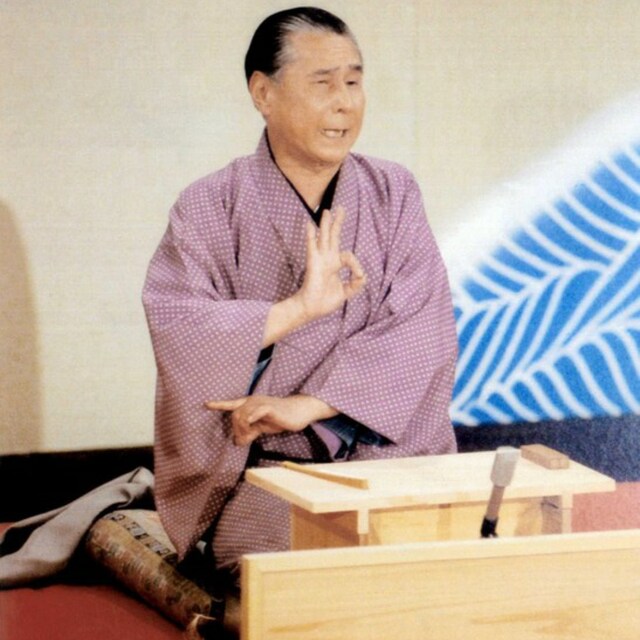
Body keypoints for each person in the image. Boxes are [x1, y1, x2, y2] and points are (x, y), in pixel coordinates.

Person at [142, 6, 458, 590]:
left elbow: (423, 328)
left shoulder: (393, 192)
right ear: (263, 93)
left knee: (446, 554)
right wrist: (297, 310)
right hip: (273, 471)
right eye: (323, 83)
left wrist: (311, 404)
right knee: (301, 573)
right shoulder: (208, 205)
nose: (345, 103)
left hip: (389, 459)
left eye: (354, 82)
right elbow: (181, 327)